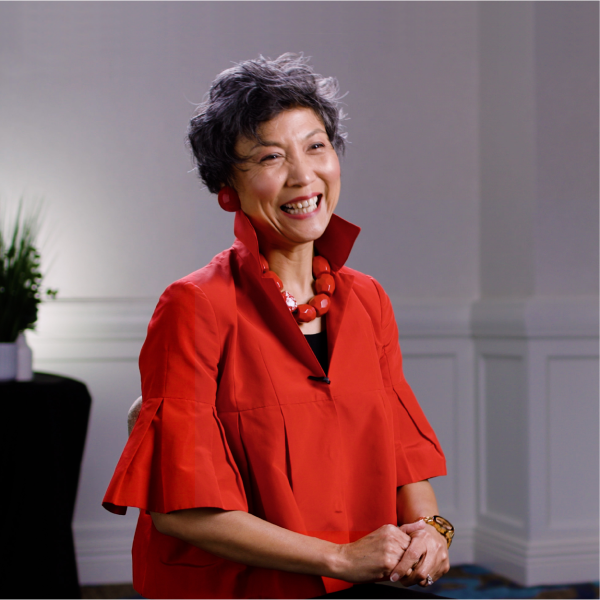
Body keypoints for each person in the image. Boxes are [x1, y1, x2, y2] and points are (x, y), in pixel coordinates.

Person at [103, 53, 452, 600]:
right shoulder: (194, 306)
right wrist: (341, 556)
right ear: (227, 188)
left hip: (361, 582)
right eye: (271, 156)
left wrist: (432, 531)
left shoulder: (367, 299)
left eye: (317, 146)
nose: (303, 174)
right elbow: (177, 509)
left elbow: (406, 456)